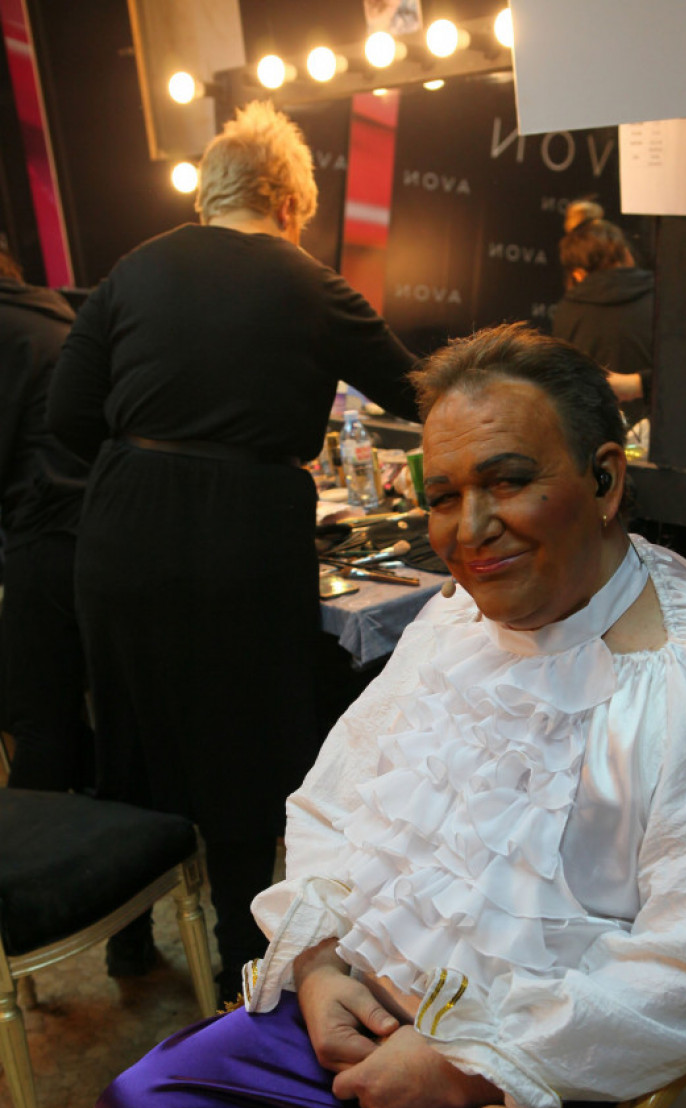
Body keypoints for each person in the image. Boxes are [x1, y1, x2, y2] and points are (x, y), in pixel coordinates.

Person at [81, 324, 686, 1108]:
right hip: (372, 999)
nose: (470, 530)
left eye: (509, 481)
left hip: (568, 1069)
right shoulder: (454, 616)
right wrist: (319, 960)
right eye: (443, 494)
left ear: (605, 480)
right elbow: (335, 799)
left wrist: (468, 1061)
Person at [47, 102, 420, 996]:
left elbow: (66, 418)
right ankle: (238, 958)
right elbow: (421, 391)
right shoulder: (311, 283)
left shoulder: (133, 270)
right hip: (245, 528)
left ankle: (128, 938)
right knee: (243, 738)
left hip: (124, 524)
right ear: (289, 200)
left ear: (210, 194)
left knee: (131, 728)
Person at [0, 244, 92, 790]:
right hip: (95, 528)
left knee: (37, 721)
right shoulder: (47, 313)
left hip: (46, 532)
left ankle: (30, 841)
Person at [552, 217, 654, 424]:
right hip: (662, 429)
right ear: (626, 253)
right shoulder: (664, 299)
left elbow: (563, 386)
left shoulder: (567, 311)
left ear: (577, 273)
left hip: (594, 432)